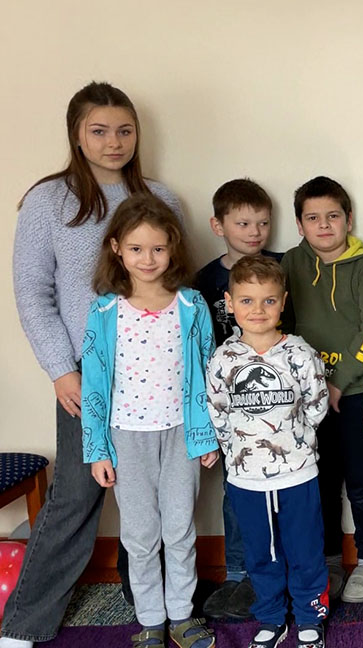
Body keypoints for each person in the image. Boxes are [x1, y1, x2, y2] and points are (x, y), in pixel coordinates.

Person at [4, 81, 184, 648]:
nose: (114, 141)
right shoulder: (48, 201)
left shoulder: (162, 198)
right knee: (80, 491)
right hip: (90, 370)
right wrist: (61, 368)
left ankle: (152, 610)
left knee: (157, 496)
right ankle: (25, 623)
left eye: (125, 130)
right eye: (99, 131)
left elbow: (179, 284)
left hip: (160, 372)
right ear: (77, 136)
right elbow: (32, 292)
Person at [82, 194, 217, 648]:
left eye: (158, 249)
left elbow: (207, 370)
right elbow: (95, 385)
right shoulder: (105, 311)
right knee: (141, 536)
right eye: (137, 249)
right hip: (126, 436)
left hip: (181, 434)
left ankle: (181, 615)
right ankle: (151, 622)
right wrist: (96, 449)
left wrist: (207, 435)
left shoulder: (192, 305)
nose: (148, 259)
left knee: (179, 529)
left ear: (172, 248)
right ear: (117, 248)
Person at [206, 256, 331, 648]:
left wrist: (298, 444)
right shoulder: (224, 359)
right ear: (229, 302)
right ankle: (272, 616)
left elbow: (316, 403)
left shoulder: (299, 353)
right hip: (246, 479)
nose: (257, 310)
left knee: (306, 548)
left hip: (298, 473)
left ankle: (311, 614)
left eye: (268, 301)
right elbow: (218, 411)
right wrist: (232, 451)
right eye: (246, 301)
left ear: (283, 302)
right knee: (261, 552)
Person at [281, 176, 363, 604]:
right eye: (313, 218)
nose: (323, 225)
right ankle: (324, 561)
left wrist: (338, 382)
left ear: (348, 219)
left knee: (361, 480)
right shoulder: (290, 262)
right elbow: (280, 325)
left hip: (357, 392)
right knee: (317, 481)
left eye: (332, 216)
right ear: (299, 224)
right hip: (305, 396)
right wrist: (309, 384)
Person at [196, 178, 282, 619]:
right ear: (218, 224)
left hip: (280, 405)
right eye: (243, 222)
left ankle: (281, 569)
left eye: (263, 222)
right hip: (233, 407)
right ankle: (236, 573)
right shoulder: (206, 280)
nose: (254, 231)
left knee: (286, 491)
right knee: (236, 491)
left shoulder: (282, 267)